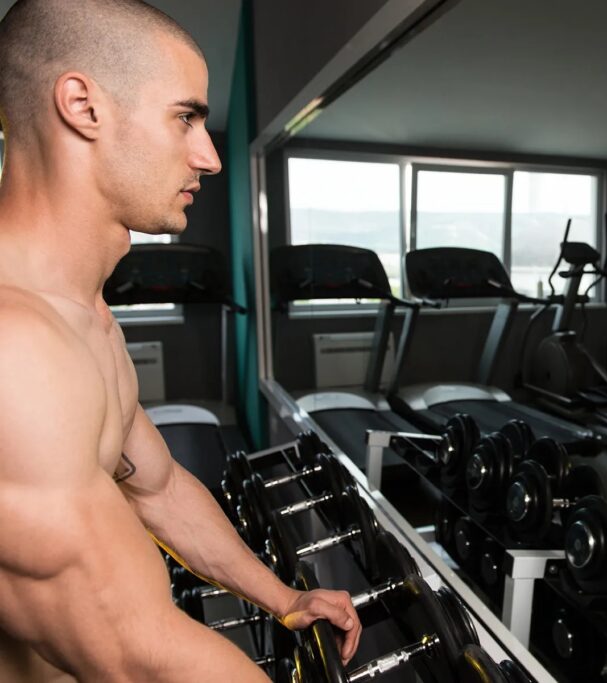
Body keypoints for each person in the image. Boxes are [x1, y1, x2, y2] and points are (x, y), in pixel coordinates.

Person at [0, 1, 361, 680]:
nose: (212, 157)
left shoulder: (82, 315)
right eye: (185, 117)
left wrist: (284, 598)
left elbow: (158, 489)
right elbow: (137, 651)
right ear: (84, 106)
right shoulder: (14, 349)